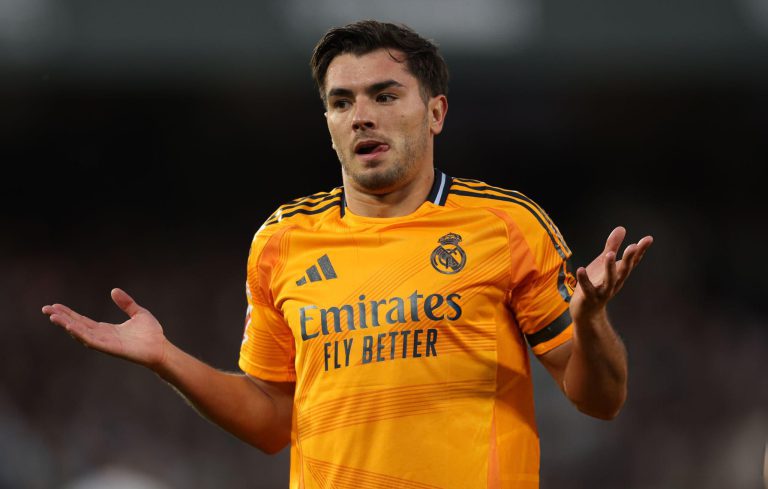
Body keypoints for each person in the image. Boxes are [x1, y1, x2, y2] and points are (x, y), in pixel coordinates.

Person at [43, 19, 653, 489]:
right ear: (328, 121)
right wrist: (166, 358)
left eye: (384, 96)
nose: (361, 116)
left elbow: (600, 401)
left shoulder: (505, 224)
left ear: (435, 112)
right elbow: (271, 420)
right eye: (342, 102)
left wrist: (590, 321)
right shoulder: (282, 240)